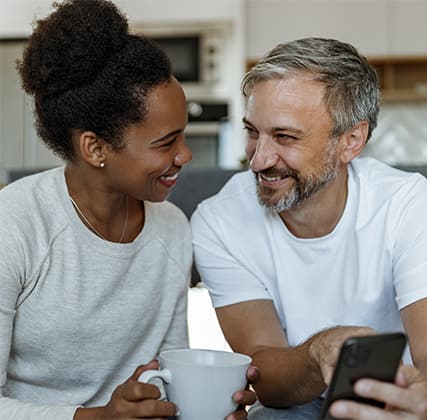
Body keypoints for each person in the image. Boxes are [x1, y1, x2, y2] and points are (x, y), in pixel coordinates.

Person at [191, 37, 427, 419]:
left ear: (351, 141)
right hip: (297, 400)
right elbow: (265, 372)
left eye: (285, 137)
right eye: (253, 132)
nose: (258, 160)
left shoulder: (405, 200)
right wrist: (318, 351)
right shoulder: (217, 221)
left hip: (399, 386)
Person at [0, 1, 256, 419]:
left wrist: (204, 405)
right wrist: (98, 417)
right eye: (165, 143)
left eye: (183, 137)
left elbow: (169, 373)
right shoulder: (14, 224)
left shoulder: (171, 228)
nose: (185, 155)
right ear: (95, 147)